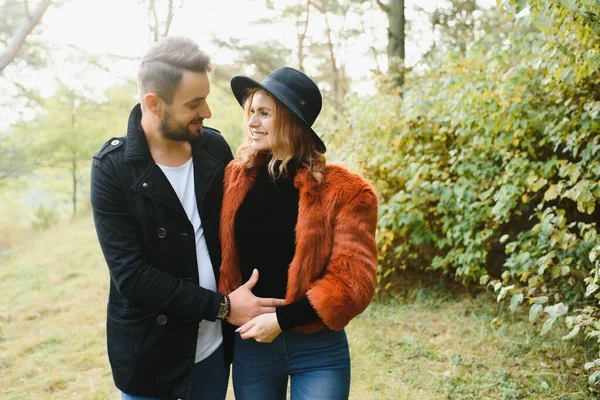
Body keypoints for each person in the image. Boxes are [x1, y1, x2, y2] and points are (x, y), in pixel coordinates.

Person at [90, 36, 285, 400]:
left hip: (212, 352)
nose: (207, 112)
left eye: (206, 99)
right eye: (194, 103)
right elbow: (132, 276)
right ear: (153, 103)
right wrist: (222, 307)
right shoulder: (112, 169)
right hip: (150, 358)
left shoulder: (213, 148)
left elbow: (249, 224)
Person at [218, 66, 379, 400]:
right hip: (252, 344)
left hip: (318, 348)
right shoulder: (235, 178)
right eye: (251, 112)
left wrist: (282, 319)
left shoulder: (347, 191)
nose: (252, 122)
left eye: (264, 113)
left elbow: (353, 281)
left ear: (291, 121)